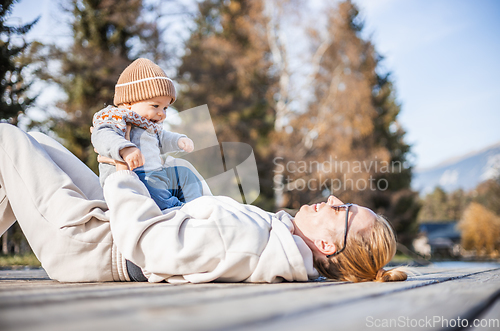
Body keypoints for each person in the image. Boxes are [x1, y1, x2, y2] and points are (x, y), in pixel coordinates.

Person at [0, 123, 407, 283]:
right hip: (109, 227)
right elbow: (196, 224)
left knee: (6, 139)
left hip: (91, 243)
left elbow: (150, 247)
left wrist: (119, 172)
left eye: (344, 212)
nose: (334, 199)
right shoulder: (274, 236)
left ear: (328, 247)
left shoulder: (252, 238)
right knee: (34, 145)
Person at [91, 58, 202, 209]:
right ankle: (174, 208)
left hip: (157, 174)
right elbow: (102, 135)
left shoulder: (149, 125)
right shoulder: (116, 117)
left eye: (165, 108)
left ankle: (198, 203)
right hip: (135, 178)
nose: (161, 114)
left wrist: (179, 140)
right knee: (155, 194)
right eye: (156, 106)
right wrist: (125, 148)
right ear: (129, 102)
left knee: (184, 174)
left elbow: (162, 138)